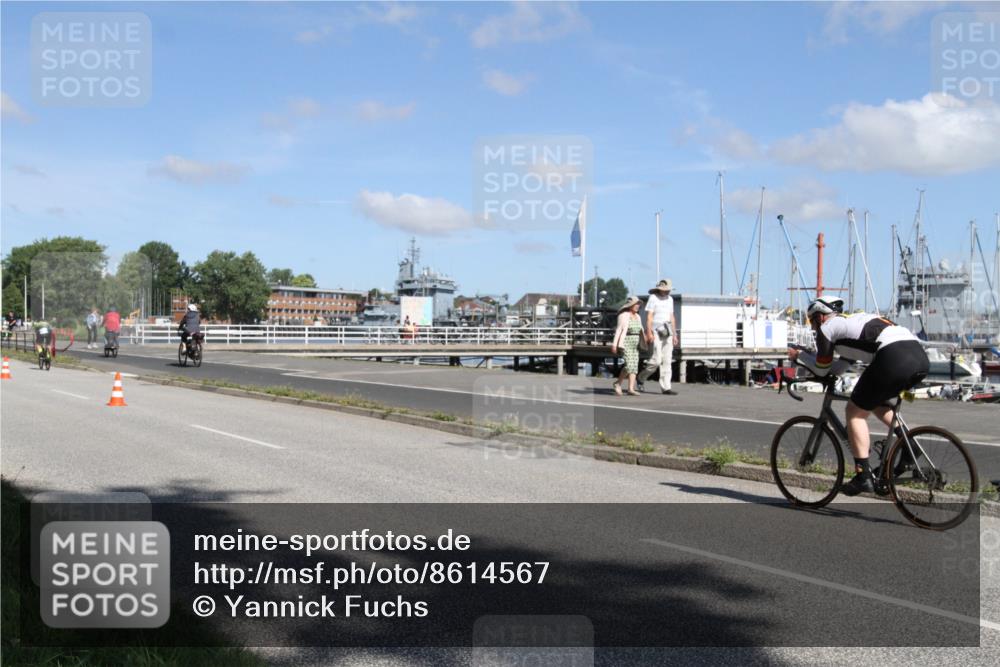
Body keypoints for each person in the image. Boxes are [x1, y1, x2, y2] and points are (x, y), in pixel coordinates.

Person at [788, 295, 930, 496]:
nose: (812, 327)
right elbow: (837, 369)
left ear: (820, 317)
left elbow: (821, 370)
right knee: (877, 403)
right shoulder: (850, 325)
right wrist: (811, 360)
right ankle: (909, 445)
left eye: (811, 321)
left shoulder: (827, 328)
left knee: (854, 412)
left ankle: (863, 477)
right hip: (918, 357)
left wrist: (799, 356)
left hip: (893, 356)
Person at [637, 279, 679, 395]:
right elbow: (649, 316)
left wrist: (675, 334)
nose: (667, 291)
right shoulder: (653, 298)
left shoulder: (670, 299)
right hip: (655, 330)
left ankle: (666, 387)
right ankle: (641, 377)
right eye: (665, 290)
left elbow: (672, 317)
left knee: (667, 360)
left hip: (667, 330)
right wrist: (649, 332)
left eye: (668, 290)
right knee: (656, 360)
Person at [611, 296, 644, 396]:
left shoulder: (638, 316)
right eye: (635, 304)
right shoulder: (623, 315)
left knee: (634, 366)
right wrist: (614, 344)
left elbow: (640, 329)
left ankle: (631, 389)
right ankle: (618, 383)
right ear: (630, 305)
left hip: (635, 343)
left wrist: (645, 338)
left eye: (638, 304)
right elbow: (619, 330)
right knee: (629, 365)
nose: (637, 306)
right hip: (626, 342)